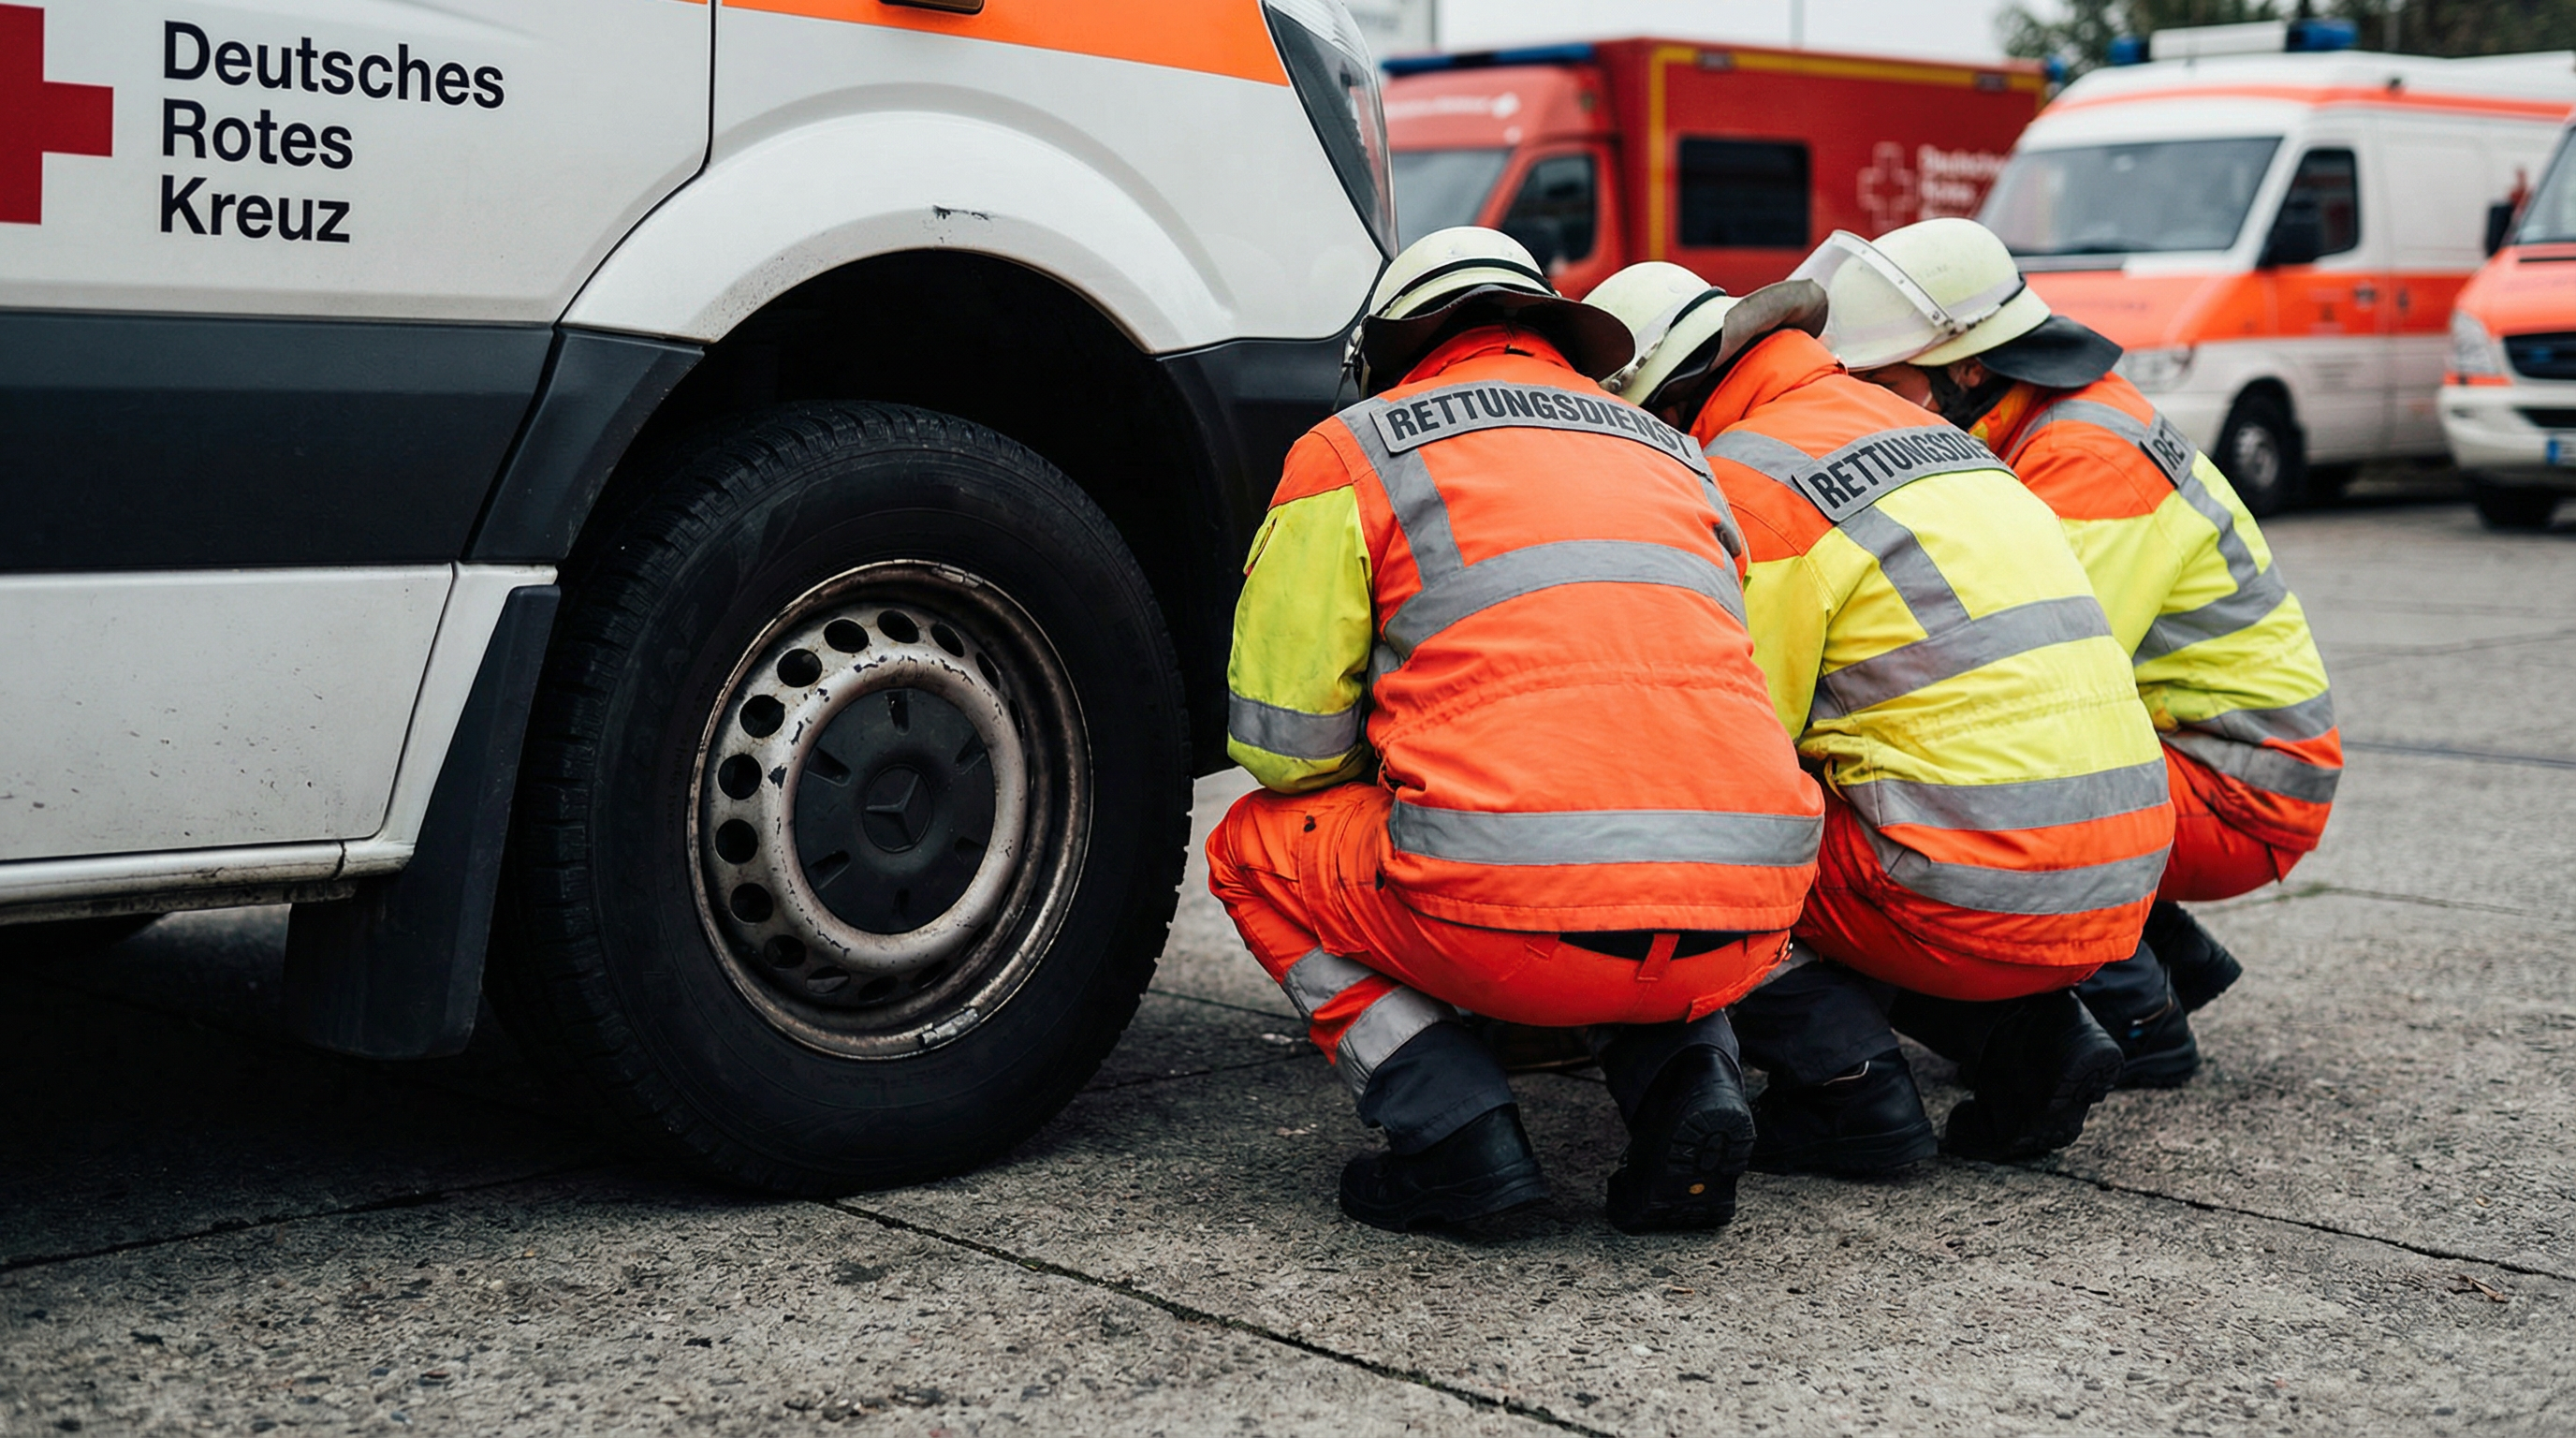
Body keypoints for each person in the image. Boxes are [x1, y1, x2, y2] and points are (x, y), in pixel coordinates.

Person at [1206, 228, 1825, 1233]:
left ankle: (1455, 1133)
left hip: (1507, 915)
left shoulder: (1352, 447)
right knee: (1652, 846)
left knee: (1247, 849)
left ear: (1389, 349)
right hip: (1746, 919)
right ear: (1554, 333)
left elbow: (1288, 746)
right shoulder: (1677, 454)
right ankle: (1692, 1088)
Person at [1588, 262, 2173, 1172]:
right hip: (2121, 885)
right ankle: (2031, 1038)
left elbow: (1737, 745)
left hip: (1966, 894)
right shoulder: (1946, 438)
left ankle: (1845, 1092)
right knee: (1890, 800)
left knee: (1690, 838)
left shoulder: (1748, 482)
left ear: (1660, 407)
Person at [1807, 218, 2338, 1086]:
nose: (1868, 402)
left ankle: (2139, 1019)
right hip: (2215, 755)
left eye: (1884, 381)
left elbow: (2042, 684)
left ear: (1966, 367)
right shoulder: (2049, 420)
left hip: (2240, 784)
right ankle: (2164, 967)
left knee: (1985, 789)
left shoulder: (2081, 456)